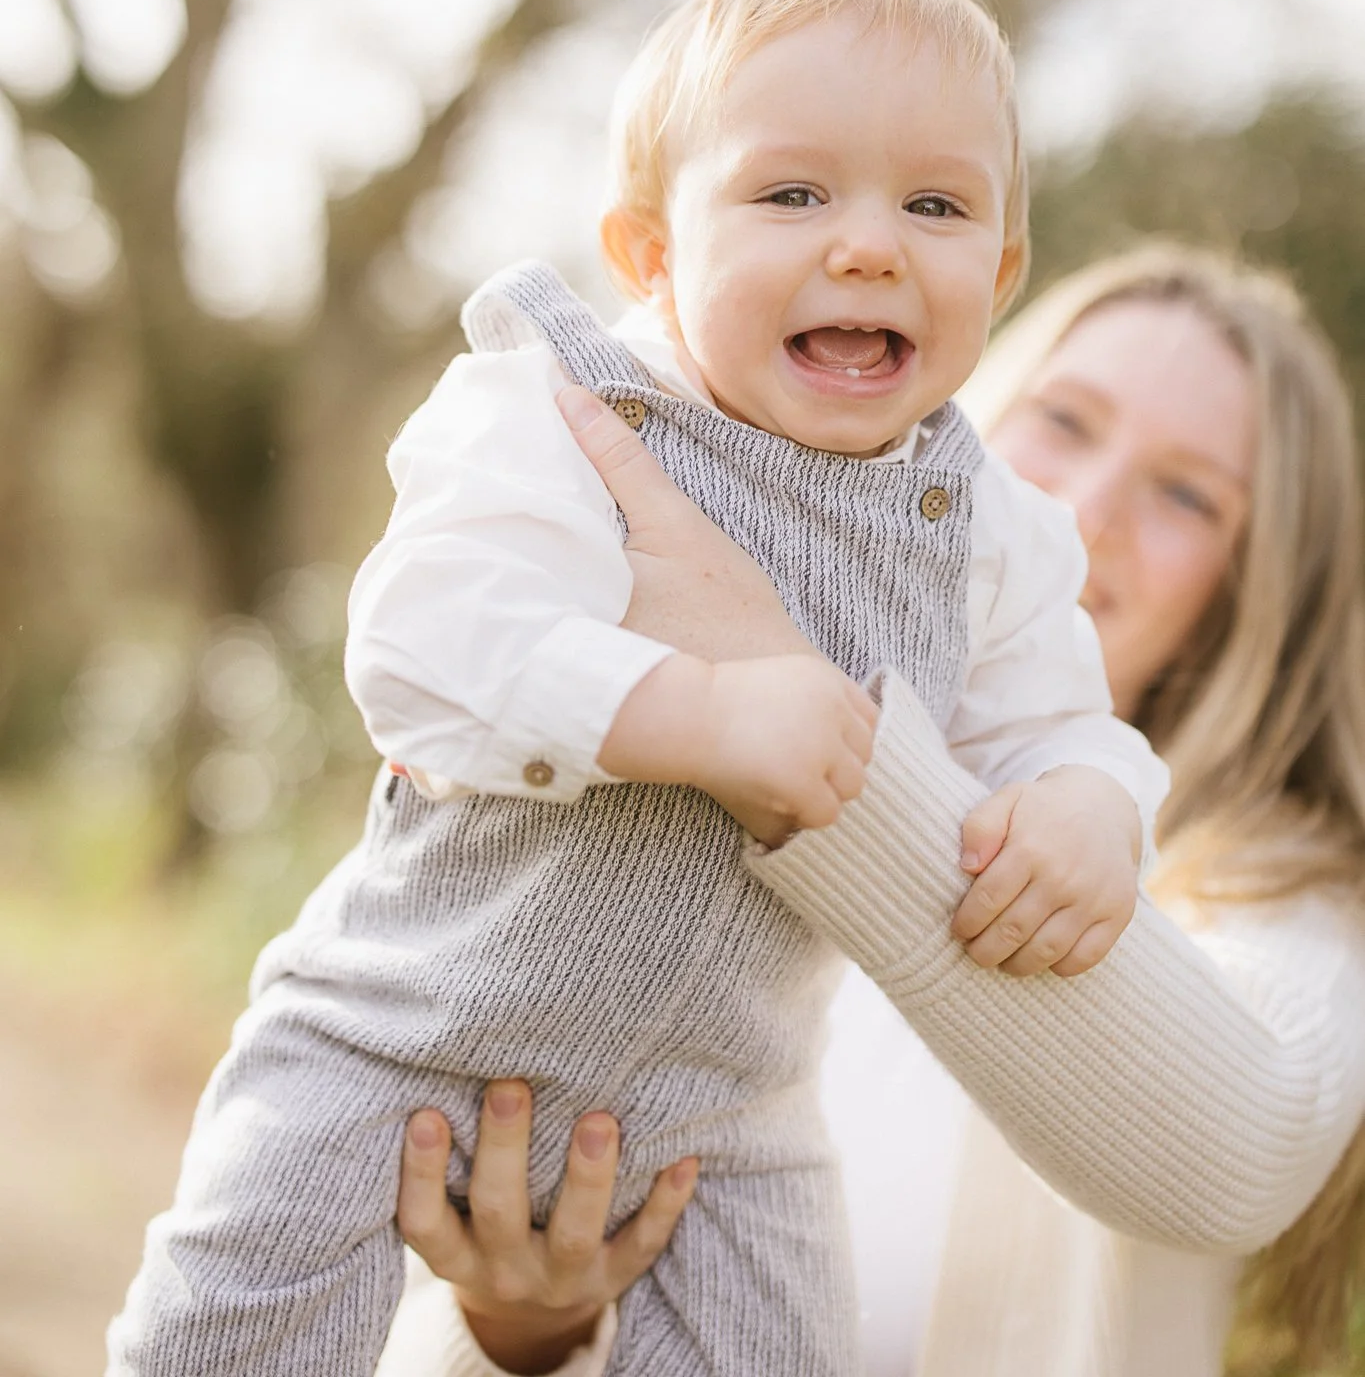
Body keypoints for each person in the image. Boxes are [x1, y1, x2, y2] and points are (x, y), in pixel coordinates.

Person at [107, 0, 1166, 1377]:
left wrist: (1090, 805)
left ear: (1002, 268)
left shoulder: (989, 531)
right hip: (396, 1035)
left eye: (936, 204)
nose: (868, 247)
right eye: (792, 193)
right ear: (652, 253)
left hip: (722, 1117)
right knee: (231, 1330)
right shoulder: (556, 412)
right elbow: (425, 639)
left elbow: (1061, 727)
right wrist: (702, 710)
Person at [385, 244, 1365, 1377]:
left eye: (1188, 493)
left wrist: (785, 703)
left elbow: (1240, 1151)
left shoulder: (1283, 885)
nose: (1085, 512)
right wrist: (523, 1327)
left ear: (1252, 581)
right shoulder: (658, 783)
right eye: (1065, 419)